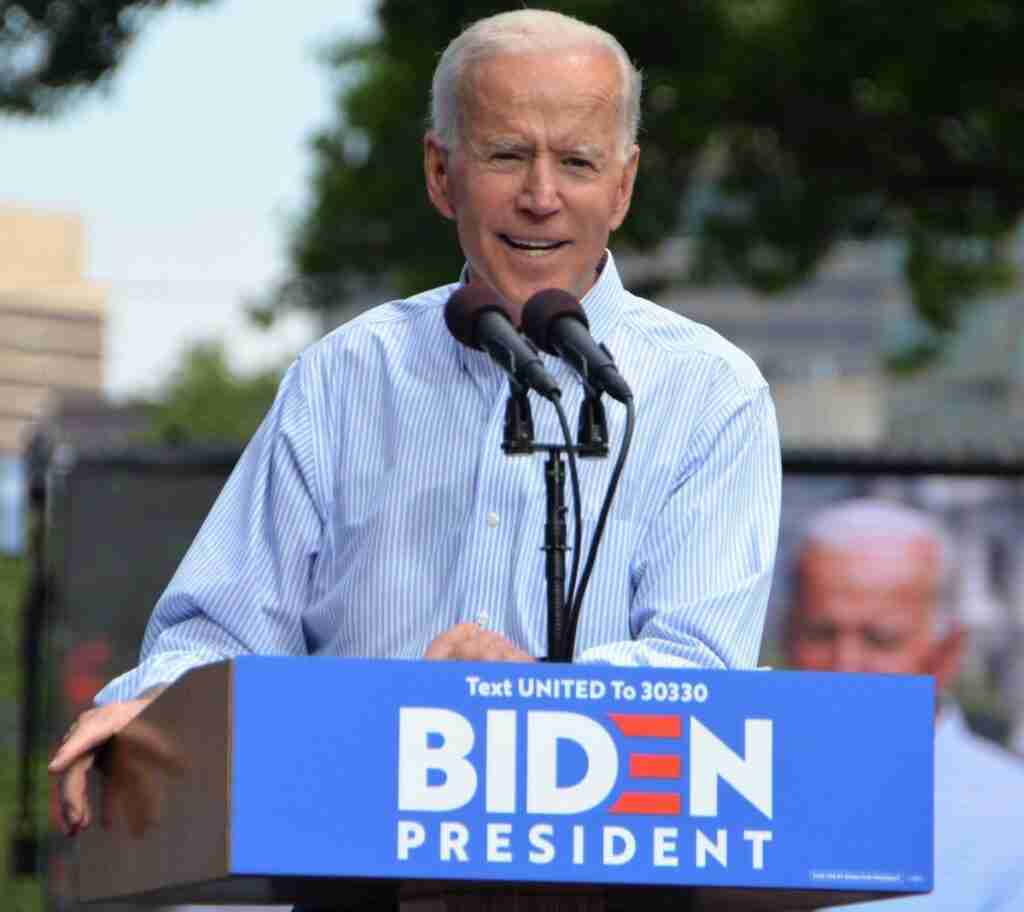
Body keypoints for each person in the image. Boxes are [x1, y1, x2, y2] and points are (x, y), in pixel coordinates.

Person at [50, 9, 781, 838]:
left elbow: (701, 673)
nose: (541, 197)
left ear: (623, 185)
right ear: (441, 172)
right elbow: (220, 631)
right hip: (348, 860)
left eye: (576, 162)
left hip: (615, 871)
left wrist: (524, 697)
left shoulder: (710, 392)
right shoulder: (345, 376)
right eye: (507, 155)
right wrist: (155, 700)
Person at [784, 497, 1024, 911]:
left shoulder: (1012, 820)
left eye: (880, 639)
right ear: (787, 636)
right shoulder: (731, 794)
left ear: (947, 652)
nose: (845, 665)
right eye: (821, 634)